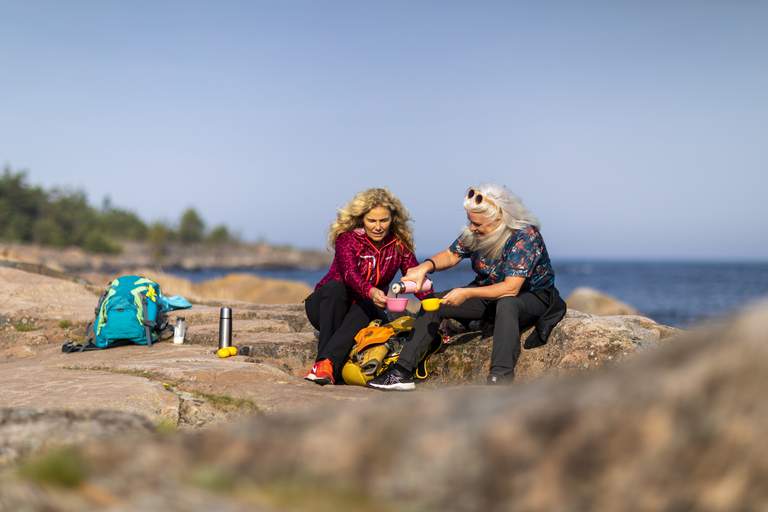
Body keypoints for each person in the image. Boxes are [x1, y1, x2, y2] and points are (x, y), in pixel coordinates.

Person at [369, 184, 567, 391]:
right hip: (488, 291)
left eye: (477, 223)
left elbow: (511, 288)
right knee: (433, 304)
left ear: (499, 220)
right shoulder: (475, 231)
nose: (472, 227)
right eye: (470, 221)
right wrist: (424, 267)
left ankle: (500, 379)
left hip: (531, 296)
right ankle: (401, 373)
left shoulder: (525, 236)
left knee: (507, 304)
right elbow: (451, 255)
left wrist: (466, 292)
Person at [303, 188, 426, 385]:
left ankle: (325, 365)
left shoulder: (398, 245)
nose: (378, 226)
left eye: (383, 220)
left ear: (392, 219)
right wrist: (370, 290)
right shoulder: (348, 239)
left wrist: (434, 306)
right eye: (372, 221)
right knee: (337, 288)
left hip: (363, 311)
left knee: (368, 306)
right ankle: (328, 363)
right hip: (327, 306)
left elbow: (415, 278)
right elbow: (349, 274)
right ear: (362, 219)